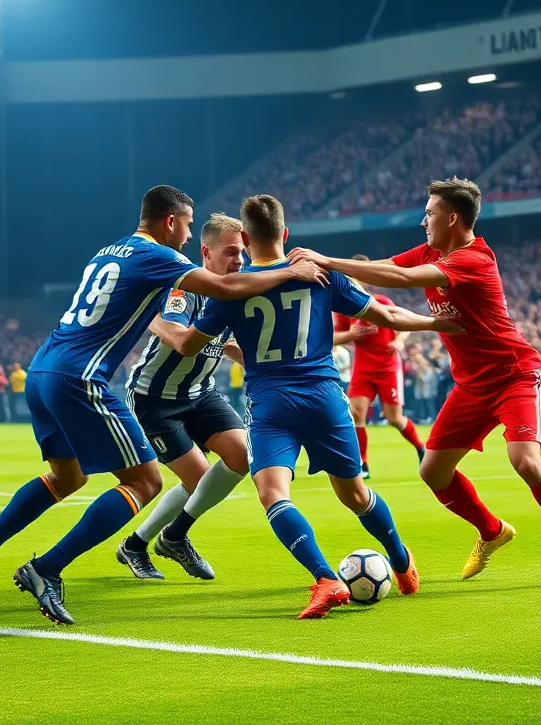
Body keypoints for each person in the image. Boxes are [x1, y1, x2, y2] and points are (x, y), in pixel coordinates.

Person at [0, 185, 328, 625]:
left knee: (65, 477)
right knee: (145, 481)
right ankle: (47, 569)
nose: (186, 237)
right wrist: (289, 273)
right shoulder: (160, 257)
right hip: (82, 378)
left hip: (43, 370)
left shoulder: (108, 252)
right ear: (170, 221)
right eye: (186, 226)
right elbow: (226, 288)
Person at [289, 177, 541, 589]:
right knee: (433, 472)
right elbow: (387, 269)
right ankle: (491, 531)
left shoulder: (475, 260)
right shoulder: (433, 250)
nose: (423, 221)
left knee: (524, 460)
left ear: (452, 217)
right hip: (471, 384)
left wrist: (326, 260)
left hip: (515, 373)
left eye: (430, 212)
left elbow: (401, 281)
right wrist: (334, 266)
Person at [160, 194, 451, 618]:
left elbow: (187, 345)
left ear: (243, 237)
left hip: (271, 404)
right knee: (354, 493)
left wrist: (152, 317)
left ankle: (326, 579)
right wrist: (438, 323)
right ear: (286, 233)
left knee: (273, 494)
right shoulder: (320, 275)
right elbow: (385, 317)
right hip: (324, 397)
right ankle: (402, 562)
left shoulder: (230, 290)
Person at [115, 213, 253, 581]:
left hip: (201, 393)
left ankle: (167, 539)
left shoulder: (236, 293)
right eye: (231, 252)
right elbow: (178, 336)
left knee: (242, 456)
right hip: (155, 398)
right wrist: (149, 317)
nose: (239, 260)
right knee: (199, 480)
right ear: (206, 252)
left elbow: (233, 344)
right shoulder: (184, 289)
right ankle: (138, 544)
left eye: (243, 253)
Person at [332, 255, 428, 475]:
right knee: (356, 413)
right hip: (363, 368)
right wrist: (351, 333)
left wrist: (398, 340)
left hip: (387, 367)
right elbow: (335, 338)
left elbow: (403, 324)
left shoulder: (381, 302)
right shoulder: (343, 310)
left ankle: (420, 447)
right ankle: (363, 464)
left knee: (394, 418)